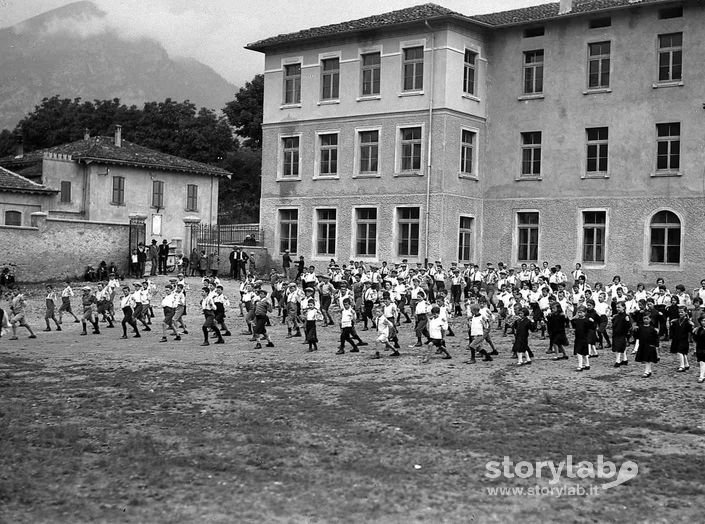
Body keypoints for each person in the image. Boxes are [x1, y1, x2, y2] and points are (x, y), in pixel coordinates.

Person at [670, 305, 693, 372]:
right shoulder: (677, 321)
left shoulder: (687, 321)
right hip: (677, 338)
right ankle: (686, 364)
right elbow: (674, 329)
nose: (680, 314)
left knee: (680, 352)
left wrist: (691, 326)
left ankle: (682, 366)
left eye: (682, 312)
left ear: (685, 312)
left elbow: (690, 330)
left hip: (684, 339)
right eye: (679, 312)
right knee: (683, 352)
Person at [611, 301, 630, 367]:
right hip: (616, 333)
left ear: (624, 307)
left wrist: (627, 321)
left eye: (619, 307)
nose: (617, 308)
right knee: (620, 346)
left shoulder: (626, 316)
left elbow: (628, 326)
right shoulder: (617, 316)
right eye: (616, 307)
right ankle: (625, 359)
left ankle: (618, 361)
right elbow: (614, 324)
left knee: (618, 347)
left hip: (622, 333)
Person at [693, 316, 705, 383]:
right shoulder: (698, 330)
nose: (704, 322)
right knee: (702, 362)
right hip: (701, 348)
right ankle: (701, 376)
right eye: (702, 321)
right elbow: (695, 339)